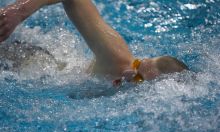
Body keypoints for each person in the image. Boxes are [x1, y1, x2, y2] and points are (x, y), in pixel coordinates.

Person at [0, 0, 188, 85]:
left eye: (138, 80)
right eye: (137, 64)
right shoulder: (118, 58)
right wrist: (19, 11)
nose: (129, 73)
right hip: (30, 64)